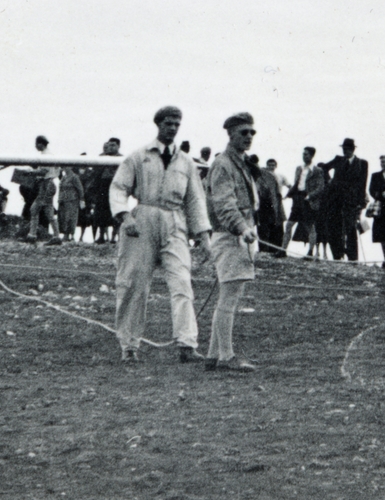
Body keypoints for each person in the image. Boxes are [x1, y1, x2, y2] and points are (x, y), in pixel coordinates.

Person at [109, 107, 212, 363]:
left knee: (182, 282)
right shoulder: (139, 156)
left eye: (177, 124)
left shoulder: (186, 162)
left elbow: (196, 200)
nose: (173, 128)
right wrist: (126, 216)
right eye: (168, 123)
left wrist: (204, 237)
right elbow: (119, 187)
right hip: (142, 220)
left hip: (175, 222)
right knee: (134, 283)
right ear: (158, 124)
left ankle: (187, 345)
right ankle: (129, 346)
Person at [204, 114, 262, 371]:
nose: (248, 137)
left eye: (251, 132)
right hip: (231, 237)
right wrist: (242, 229)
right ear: (231, 135)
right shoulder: (223, 164)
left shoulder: (239, 162)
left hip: (241, 235)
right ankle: (226, 357)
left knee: (229, 295)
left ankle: (213, 355)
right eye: (243, 133)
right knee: (229, 297)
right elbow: (224, 204)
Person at [323, 139, 370, 261]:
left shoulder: (362, 163)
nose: (345, 151)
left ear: (353, 150)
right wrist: (330, 182)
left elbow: (363, 184)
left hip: (351, 200)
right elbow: (323, 167)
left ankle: (352, 258)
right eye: (344, 149)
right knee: (335, 226)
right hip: (335, 198)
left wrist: (361, 202)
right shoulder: (338, 159)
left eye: (348, 149)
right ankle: (337, 256)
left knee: (350, 228)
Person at [284, 147, 319, 252]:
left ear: (312, 156)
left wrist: (310, 196)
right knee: (289, 224)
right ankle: (282, 250)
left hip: (307, 200)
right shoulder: (299, 168)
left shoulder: (317, 170)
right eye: (303, 154)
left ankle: (310, 252)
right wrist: (289, 194)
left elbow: (320, 187)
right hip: (297, 199)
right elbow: (296, 184)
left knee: (310, 227)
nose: (304, 156)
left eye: (306, 154)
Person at [89, 138, 122, 243]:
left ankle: (113, 237)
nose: (111, 147)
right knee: (100, 212)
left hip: (115, 187)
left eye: (113, 145)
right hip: (102, 187)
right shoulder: (102, 157)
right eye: (110, 145)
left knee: (116, 212)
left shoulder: (121, 158)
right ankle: (101, 236)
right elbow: (95, 173)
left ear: (118, 146)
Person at [255, 157, 287, 257]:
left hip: (276, 202)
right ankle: (264, 249)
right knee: (264, 226)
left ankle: (275, 249)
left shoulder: (279, 176)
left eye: (273, 165)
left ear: (276, 166)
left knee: (276, 225)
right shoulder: (261, 175)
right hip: (264, 202)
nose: (271, 167)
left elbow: (290, 185)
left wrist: (284, 196)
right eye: (269, 165)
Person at [57, 166, 85, 241]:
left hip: (72, 200)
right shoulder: (63, 177)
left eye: (66, 167)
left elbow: (80, 189)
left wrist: (81, 199)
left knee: (71, 217)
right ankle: (65, 234)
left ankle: (70, 234)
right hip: (63, 200)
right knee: (63, 218)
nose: (64, 168)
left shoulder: (74, 177)